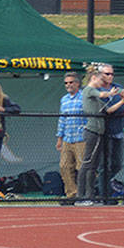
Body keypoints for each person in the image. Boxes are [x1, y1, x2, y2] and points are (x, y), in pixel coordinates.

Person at [75, 64, 108, 205]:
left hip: (99, 132)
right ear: (93, 78)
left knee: (93, 165)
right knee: (87, 163)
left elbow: (108, 108)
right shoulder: (89, 90)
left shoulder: (95, 97)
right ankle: (80, 196)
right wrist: (111, 92)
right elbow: (100, 94)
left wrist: (123, 100)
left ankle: (90, 195)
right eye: (101, 81)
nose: (102, 84)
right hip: (92, 131)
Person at [97, 64, 124, 204]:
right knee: (105, 165)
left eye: (112, 74)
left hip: (118, 131)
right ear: (100, 75)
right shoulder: (97, 90)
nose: (110, 76)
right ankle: (105, 196)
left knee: (117, 164)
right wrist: (120, 102)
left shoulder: (118, 87)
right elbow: (107, 109)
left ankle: (101, 185)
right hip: (105, 132)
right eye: (107, 74)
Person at [55, 71, 85, 201]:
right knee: (65, 166)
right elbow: (62, 119)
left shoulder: (84, 96)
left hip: (81, 138)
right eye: (66, 83)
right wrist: (59, 138)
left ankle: (84, 193)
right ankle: (72, 194)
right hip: (67, 137)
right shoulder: (64, 99)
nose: (68, 85)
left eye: (71, 82)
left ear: (77, 83)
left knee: (82, 167)